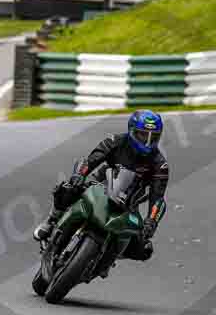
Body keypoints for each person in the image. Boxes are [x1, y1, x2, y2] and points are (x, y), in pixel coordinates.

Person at [34, 110, 169, 262]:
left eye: (153, 137)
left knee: (144, 249)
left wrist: (151, 221)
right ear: (132, 131)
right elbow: (91, 160)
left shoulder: (160, 164)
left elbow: (158, 198)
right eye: (143, 135)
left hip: (128, 204)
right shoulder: (114, 141)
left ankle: (106, 260)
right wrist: (79, 175)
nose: (147, 142)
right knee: (67, 189)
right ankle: (51, 220)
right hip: (99, 186)